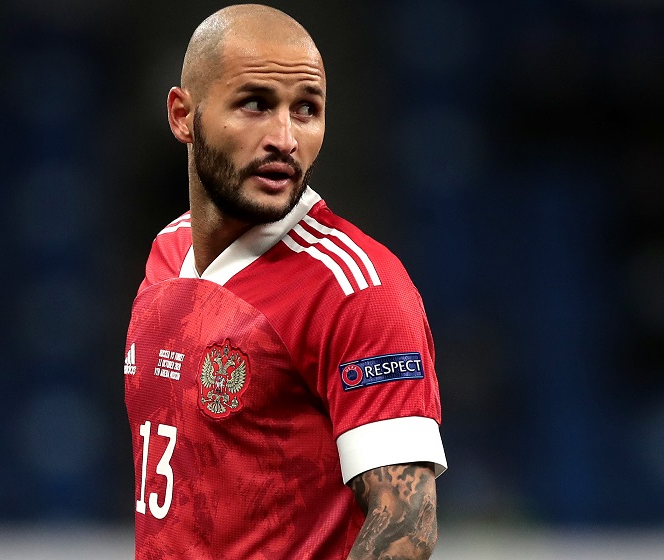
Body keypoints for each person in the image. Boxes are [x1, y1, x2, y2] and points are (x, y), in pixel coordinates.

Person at [123, 4, 446, 559]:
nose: (285, 138)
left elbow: (405, 527)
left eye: (306, 110)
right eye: (255, 104)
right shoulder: (166, 253)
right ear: (182, 116)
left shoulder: (357, 291)